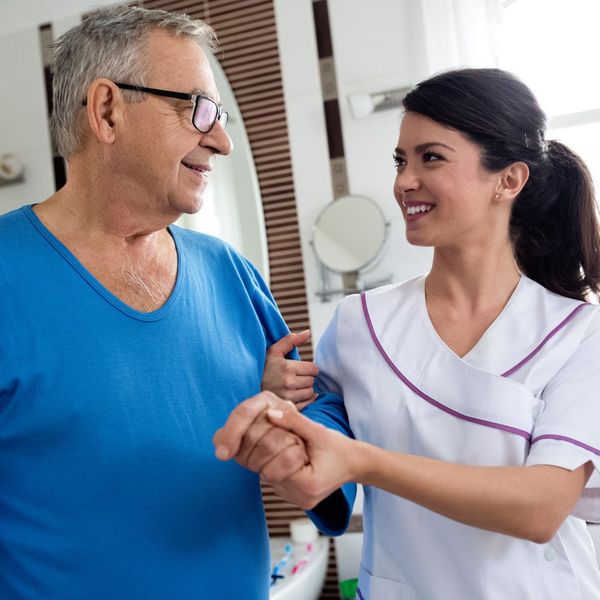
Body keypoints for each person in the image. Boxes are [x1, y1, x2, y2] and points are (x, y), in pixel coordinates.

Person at [215, 68, 600, 598]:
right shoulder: (361, 322)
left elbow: (541, 508)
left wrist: (364, 461)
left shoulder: (578, 334)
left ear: (509, 180)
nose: (403, 181)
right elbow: (325, 447)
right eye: (401, 160)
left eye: (431, 157)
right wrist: (284, 412)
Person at [0, 6, 320, 599]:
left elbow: (315, 428)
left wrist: (277, 417)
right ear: (107, 110)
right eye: (198, 108)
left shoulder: (231, 274)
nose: (220, 140)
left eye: (219, 116)